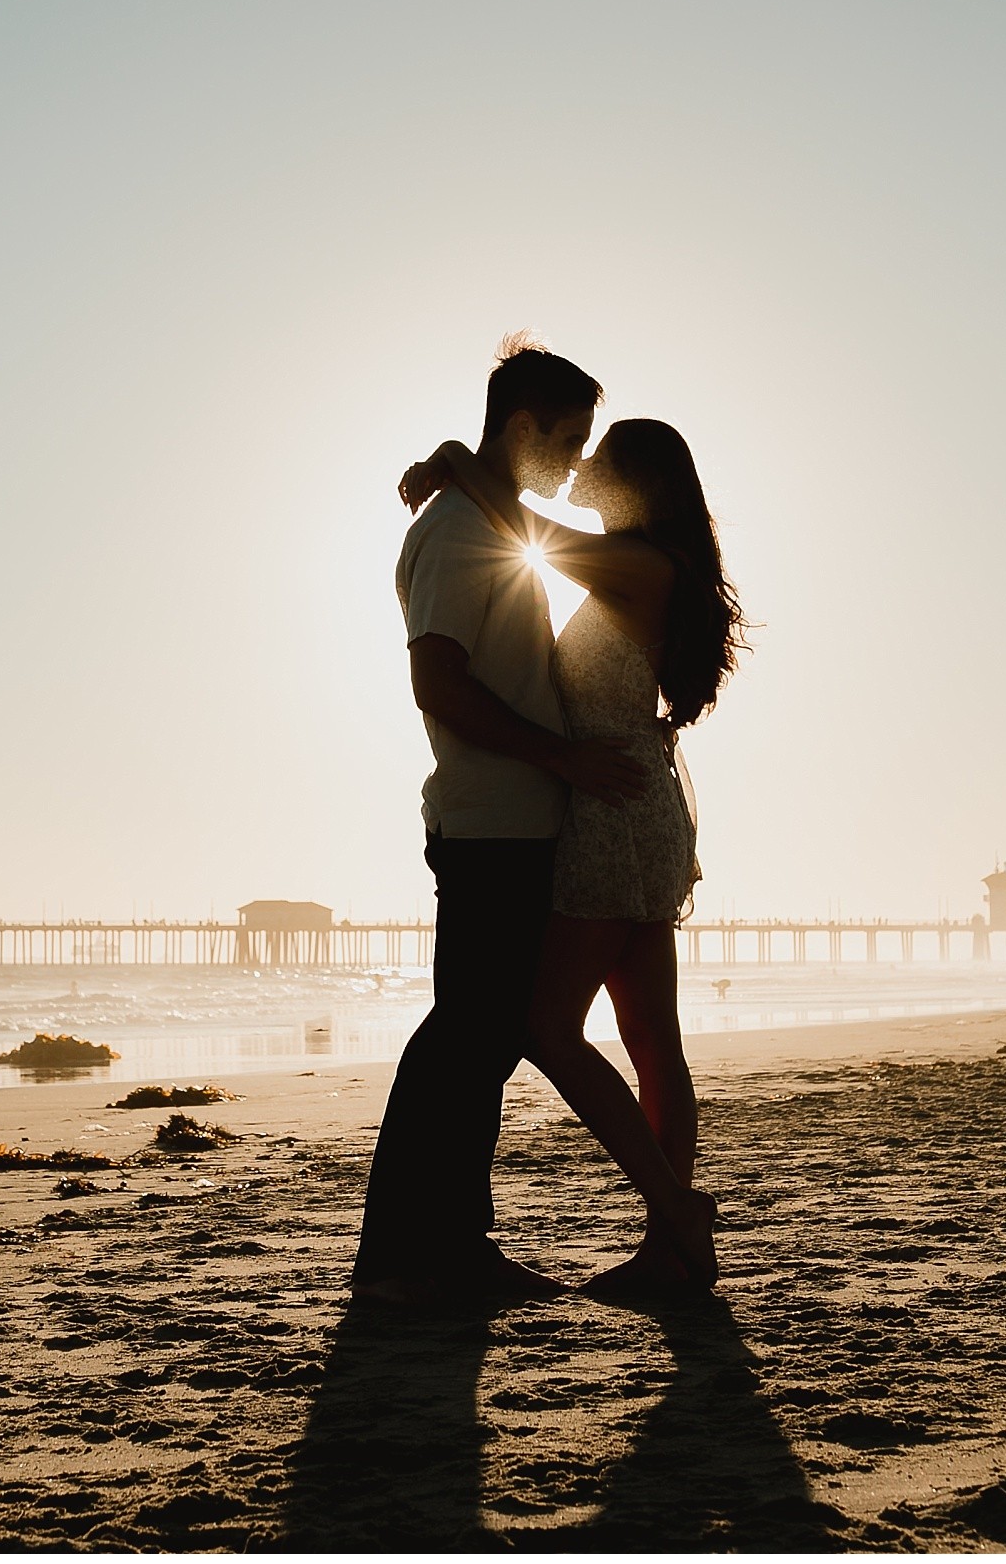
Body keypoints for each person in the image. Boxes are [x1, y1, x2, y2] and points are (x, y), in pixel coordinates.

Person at [400, 417, 746, 1293]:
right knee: (649, 1040)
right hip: (634, 801)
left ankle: (675, 1211)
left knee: (550, 1030)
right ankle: (671, 1255)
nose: (580, 464)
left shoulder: (639, 566)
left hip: (612, 812)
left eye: (599, 455)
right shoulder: (647, 564)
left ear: (634, 480)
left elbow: (530, 538)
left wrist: (453, 462)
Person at [352, 336, 649, 1308]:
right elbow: (437, 683)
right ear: (520, 426)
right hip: (488, 825)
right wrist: (562, 757)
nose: (571, 466)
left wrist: (453, 463)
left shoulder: (484, 516)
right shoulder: (454, 531)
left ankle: (442, 1249)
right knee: (463, 1038)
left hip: (516, 822)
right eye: (565, 442)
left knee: (475, 1039)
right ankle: (414, 1255)